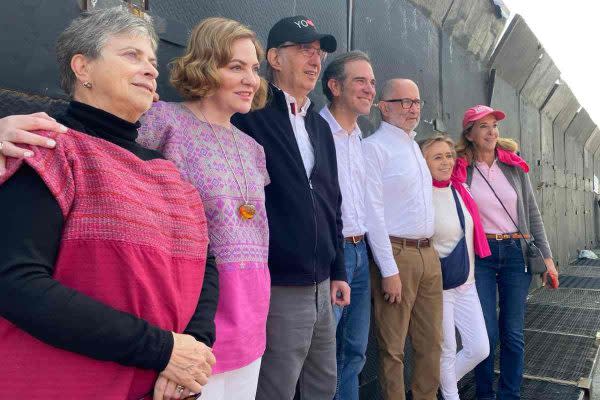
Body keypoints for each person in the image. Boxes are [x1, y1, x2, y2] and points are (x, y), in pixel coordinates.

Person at [0, 15, 272, 400]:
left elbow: (204, 261)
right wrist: (164, 351)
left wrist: (192, 347)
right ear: (83, 67)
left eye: (151, 59)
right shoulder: (48, 149)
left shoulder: (167, 172)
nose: (148, 67)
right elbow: (16, 283)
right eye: (131, 54)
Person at [137, 17, 270, 400]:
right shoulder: (163, 122)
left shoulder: (253, 149)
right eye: (236, 67)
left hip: (251, 315)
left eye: (255, 69)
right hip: (190, 318)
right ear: (205, 67)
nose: (250, 79)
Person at [231, 15, 350, 400]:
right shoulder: (250, 118)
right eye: (304, 50)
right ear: (275, 59)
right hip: (279, 285)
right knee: (276, 388)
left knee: (322, 383)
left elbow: (333, 203)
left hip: (321, 285)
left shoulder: (318, 125)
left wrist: (338, 271)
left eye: (318, 53)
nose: (314, 60)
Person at [455, 105, 559, 400]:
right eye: (483, 126)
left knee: (513, 333)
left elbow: (533, 214)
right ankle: (484, 394)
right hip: (482, 255)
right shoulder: (462, 169)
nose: (492, 132)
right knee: (485, 334)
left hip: (516, 252)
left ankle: (509, 395)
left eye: (494, 126)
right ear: (470, 134)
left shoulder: (514, 166)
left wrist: (548, 260)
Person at [363, 78, 442, 400]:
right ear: (384, 107)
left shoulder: (413, 146)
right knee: (392, 348)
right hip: (397, 255)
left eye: (417, 102)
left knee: (431, 343)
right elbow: (373, 214)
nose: (412, 109)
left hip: (428, 254)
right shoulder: (374, 148)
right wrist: (388, 269)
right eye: (404, 102)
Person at [319, 50, 375, 400]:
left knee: (354, 353)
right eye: (360, 81)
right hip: (332, 255)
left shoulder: (358, 138)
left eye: (371, 82)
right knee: (322, 356)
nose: (370, 88)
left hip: (360, 251)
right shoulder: (316, 131)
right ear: (335, 85)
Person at [419, 134, 490, 400]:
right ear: (422, 161)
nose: (446, 162)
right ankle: (449, 394)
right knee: (446, 350)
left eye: (449, 156)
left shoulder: (459, 188)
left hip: (466, 282)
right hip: (439, 286)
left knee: (479, 348)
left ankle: (433, 385)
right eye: (437, 157)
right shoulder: (422, 194)